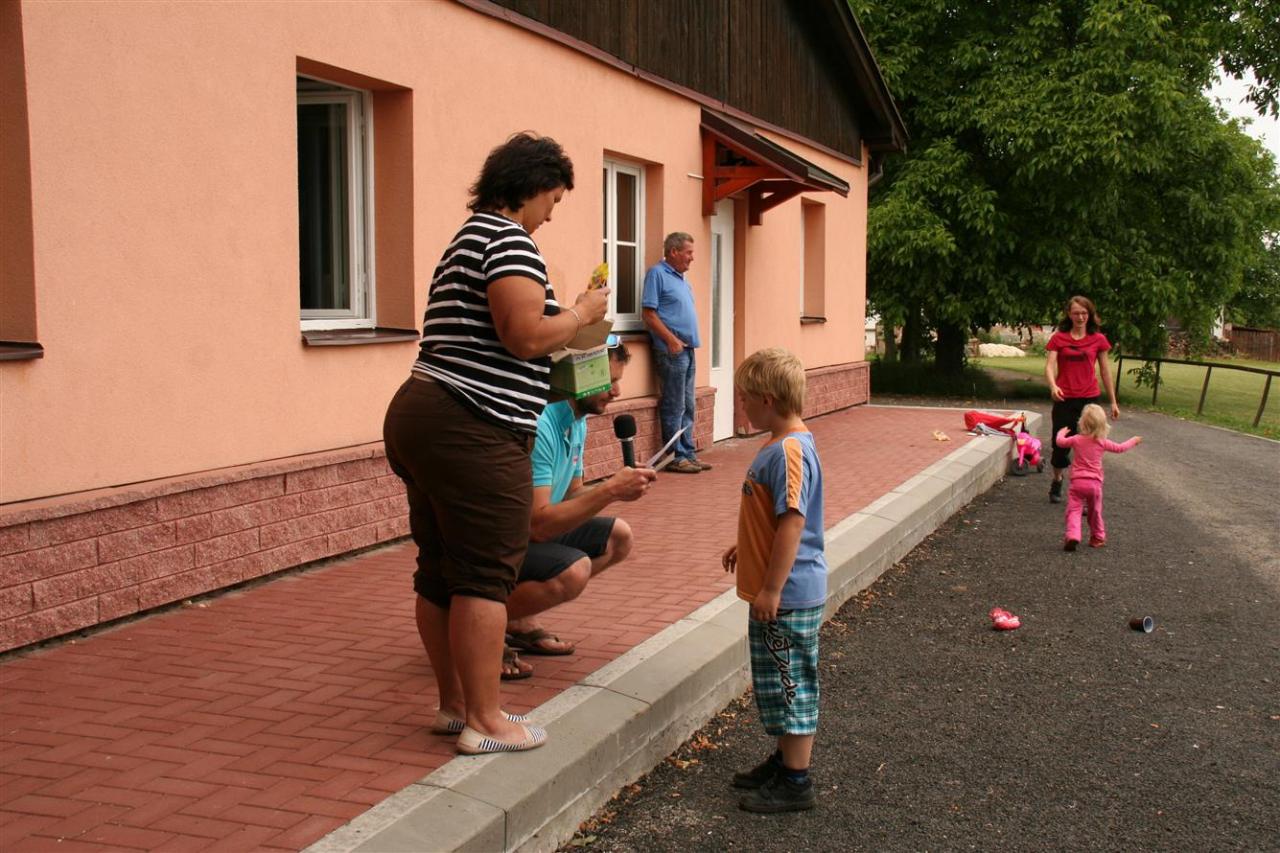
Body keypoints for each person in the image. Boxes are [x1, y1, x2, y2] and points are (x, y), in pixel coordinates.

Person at [382, 133, 609, 756]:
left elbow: (504, 337)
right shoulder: (508, 240)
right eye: (553, 200)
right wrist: (582, 312)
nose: (551, 215)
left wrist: (569, 328)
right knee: (485, 575)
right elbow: (523, 335)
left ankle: (455, 707)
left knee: (440, 569)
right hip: (473, 426)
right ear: (532, 186)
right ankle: (486, 720)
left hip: (427, 412)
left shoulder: (468, 237)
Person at [502, 340, 657, 674]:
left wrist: (614, 487)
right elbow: (537, 525)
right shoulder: (542, 423)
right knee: (574, 570)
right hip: (506, 540)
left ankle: (516, 620)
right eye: (609, 381)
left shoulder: (577, 418)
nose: (617, 391)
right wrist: (610, 491)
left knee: (619, 537)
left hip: (534, 531)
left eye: (618, 380)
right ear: (581, 375)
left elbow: (572, 493)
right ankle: (481, 622)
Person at [720, 348, 827, 813]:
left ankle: (797, 783)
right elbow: (771, 517)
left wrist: (771, 589)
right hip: (779, 593)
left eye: (745, 398)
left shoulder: (789, 451)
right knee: (779, 685)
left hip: (789, 597)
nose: (741, 405)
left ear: (767, 399)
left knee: (792, 685)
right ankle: (785, 763)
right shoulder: (781, 445)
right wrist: (747, 546)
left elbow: (793, 523)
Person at [642, 232, 709, 474]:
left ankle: (687, 453)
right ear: (673, 252)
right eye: (688, 252)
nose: (692, 258)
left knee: (688, 404)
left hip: (687, 350)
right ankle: (675, 456)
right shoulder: (657, 274)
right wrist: (671, 340)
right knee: (674, 404)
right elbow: (649, 314)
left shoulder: (681, 279)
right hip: (672, 351)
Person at [1044, 296, 1120, 504]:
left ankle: (1086, 493)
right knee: (1060, 444)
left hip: (1089, 400)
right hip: (1064, 398)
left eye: (1084, 313)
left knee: (1090, 446)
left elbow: (1105, 371)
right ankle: (1057, 480)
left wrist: (1113, 401)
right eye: (1076, 313)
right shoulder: (1059, 338)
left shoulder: (1098, 339)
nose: (1080, 317)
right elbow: (1049, 366)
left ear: (1090, 315)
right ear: (1069, 314)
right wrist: (1053, 385)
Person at [1055, 404, 1142, 551]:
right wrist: (1133, 440)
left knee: (1074, 510)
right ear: (1102, 425)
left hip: (1077, 483)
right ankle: (1097, 537)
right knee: (1095, 512)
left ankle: (1073, 535)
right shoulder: (1102, 442)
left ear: (1082, 422)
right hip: (1094, 484)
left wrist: (1061, 433)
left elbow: (1060, 443)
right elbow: (1120, 448)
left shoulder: (1076, 439)